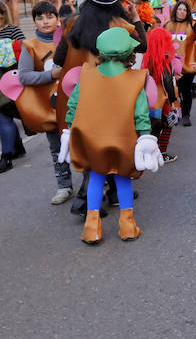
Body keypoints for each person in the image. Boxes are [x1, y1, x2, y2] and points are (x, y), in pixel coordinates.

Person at [52, 0, 147, 217]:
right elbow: (142, 47)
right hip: (112, 94)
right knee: (114, 141)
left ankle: (110, 194)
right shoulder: (120, 25)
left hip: (78, 92)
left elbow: (58, 59)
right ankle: (84, 201)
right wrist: (136, 21)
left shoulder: (72, 24)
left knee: (91, 143)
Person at [59, 27, 163, 244]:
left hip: (92, 141)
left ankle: (91, 228)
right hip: (123, 141)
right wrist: (145, 136)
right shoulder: (136, 79)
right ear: (129, 53)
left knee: (96, 178)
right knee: (123, 179)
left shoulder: (86, 74)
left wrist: (69, 130)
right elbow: (141, 113)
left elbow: (73, 106)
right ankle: (127, 226)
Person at [14, 1, 73, 201]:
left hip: (75, 103)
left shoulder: (69, 39)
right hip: (49, 107)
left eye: (49, 16)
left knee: (82, 144)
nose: (45, 21)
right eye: (39, 18)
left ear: (58, 19)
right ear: (34, 22)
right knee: (57, 148)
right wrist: (50, 75)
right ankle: (64, 186)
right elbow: (24, 76)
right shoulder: (29, 46)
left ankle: (91, 184)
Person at [142, 27, 180, 163]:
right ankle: (161, 153)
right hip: (162, 101)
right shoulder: (164, 59)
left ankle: (148, 154)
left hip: (148, 100)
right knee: (167, 126)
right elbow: (168, 82)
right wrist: (173, 102)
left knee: (151, 129)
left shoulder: (147, 58)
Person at [164, 0, 196, 127]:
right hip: (170, 64)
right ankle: (172, 114)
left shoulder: (193, 24)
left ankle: (186, 115)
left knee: (185, 91)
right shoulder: (167, 24)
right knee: (172, 91)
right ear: (176, 10)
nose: (182, 12)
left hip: (187, 64)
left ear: (188, 12)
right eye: (180, 9)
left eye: (185, 10)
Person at [0, 0, 27, 173]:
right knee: (3, 116)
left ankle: (6, 156)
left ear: (2, 14)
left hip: (10, 79)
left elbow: (26, 51)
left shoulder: (12, 30)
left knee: (5, 115)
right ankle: (16, 148)